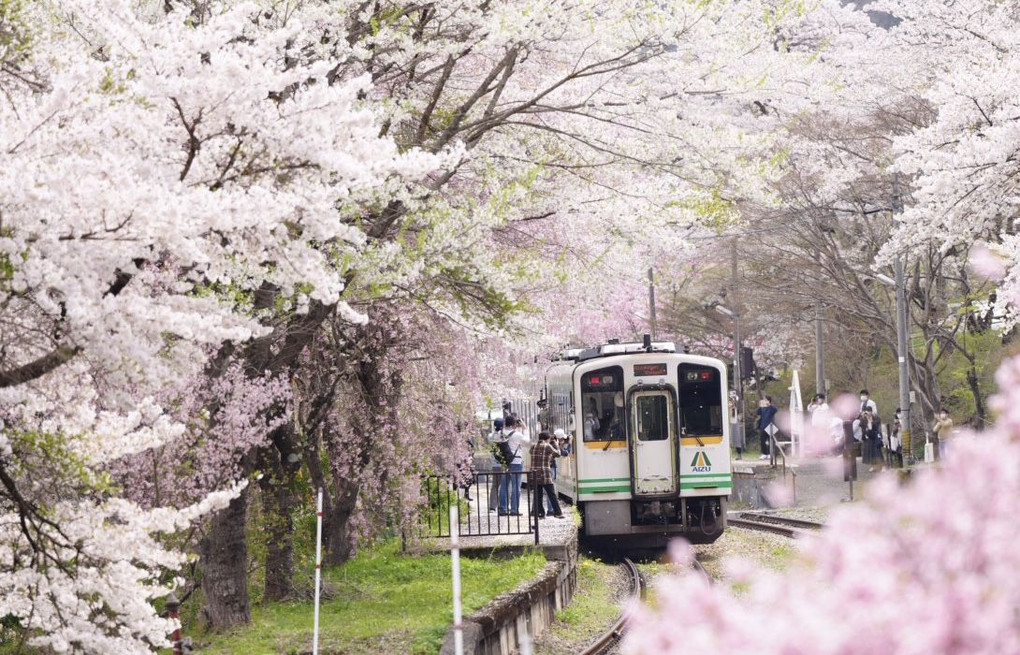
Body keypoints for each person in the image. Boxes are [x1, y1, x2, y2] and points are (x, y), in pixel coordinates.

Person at [498, 417, 531, 516]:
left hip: (504, 462)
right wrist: (525, 429)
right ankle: (514, 510)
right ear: (514, 424)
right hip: (516, 461)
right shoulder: (517, 434)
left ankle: (502, 509)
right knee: (516, 486)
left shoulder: (500, 434)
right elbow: (527, 443)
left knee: (503, 486)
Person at [529, 432, 565, 519]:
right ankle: (557, 512)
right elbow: (558, 454)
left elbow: (531, 452)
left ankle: (541, 513)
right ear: (547, 439)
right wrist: (556, 444)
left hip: (534, 473)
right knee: (551, 494)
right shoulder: (547, 446)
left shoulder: (533, 446)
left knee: (538, 495)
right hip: (545, 473)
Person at [547, 428, 571, 513]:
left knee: (548, 490)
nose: (563, 440)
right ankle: (551, 510)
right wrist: (570, 445)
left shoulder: (551, 441)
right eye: (562, 439)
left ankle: (549, 509)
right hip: (551, 467)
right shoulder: (554, 443)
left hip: (549, 467)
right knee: (551, 490)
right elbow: (563, 453)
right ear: (559, 438)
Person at [485, 418, 505, 512]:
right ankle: (504, 505)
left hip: (495, 463)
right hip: (504, 464)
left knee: (495, 485)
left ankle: (492, 506)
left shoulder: (490, 436)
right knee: (505, 485)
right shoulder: (503, 436)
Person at [859, 407, 883, 472]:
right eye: (866, 412)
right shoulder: (863, 419)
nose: (868, 413)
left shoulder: (876, 418)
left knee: (877, 452)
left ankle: (881, 466)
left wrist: (871, 421)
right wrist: (863, 417)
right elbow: (861, 425)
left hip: (875, 437)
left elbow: (877, 425)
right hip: (867, 438)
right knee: (869, 452)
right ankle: (872, 466)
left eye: (869, 412)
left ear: (871, 412)